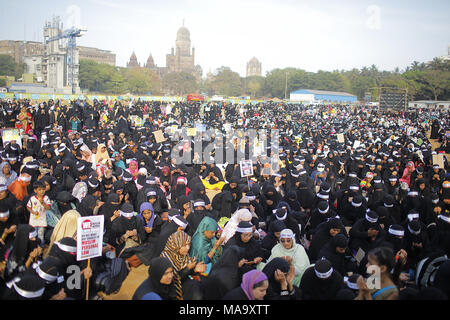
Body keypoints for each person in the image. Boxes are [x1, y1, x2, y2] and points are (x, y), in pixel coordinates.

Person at [160, 230, 206, 300]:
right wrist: (187, 268)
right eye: (184, 245)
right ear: (176, 245)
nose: (188, 248)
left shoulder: (182, 255)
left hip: (184, 280)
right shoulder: (165, 259)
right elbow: (171, 281)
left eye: (189, 244)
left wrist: (194, 269)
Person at [26, 180, 51, 246]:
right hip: (33, 221)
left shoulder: (46, 198)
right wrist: (33, 212)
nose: (42, 191)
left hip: (42, 221)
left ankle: (40, 249)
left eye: (43, 189)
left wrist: (42, 202)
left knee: (40, 236)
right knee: (33, 236)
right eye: (39, 190)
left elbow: (48, 208)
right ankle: (33, 248)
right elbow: (28, 207)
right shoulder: (32, 199)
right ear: (35, 190)